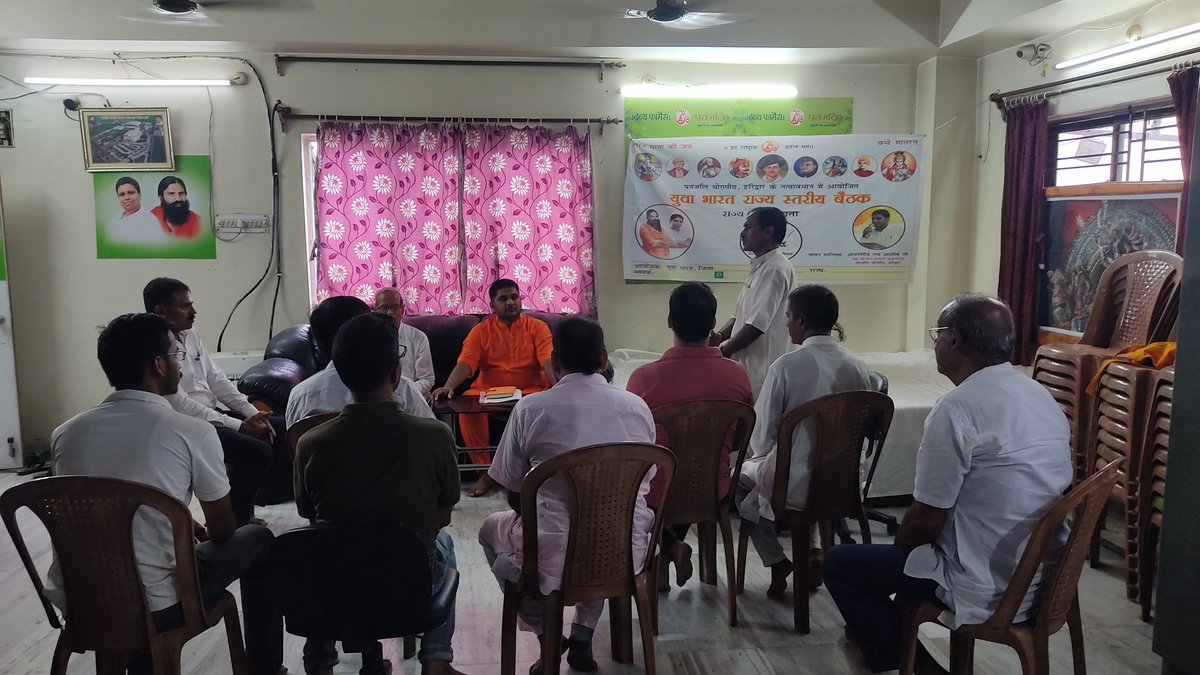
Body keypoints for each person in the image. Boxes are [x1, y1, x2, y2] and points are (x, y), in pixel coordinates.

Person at [823, 295, 1072, 674]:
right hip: (1043, 576)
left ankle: (918, 667)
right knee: (897, 577)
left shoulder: (957, 408)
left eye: (937, 334)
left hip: (989, 583)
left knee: (842, 564)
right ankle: (883, 642)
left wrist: (904, 555)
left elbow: (925, 517)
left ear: (954, 339)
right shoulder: (1037, 393)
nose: (935, 343)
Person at [48, 313, 283, 675]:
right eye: (177, 355)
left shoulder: (65, 434)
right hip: (161, 603)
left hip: (83, 599)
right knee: (260, 540)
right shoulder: (192, 432)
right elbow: (221, 531)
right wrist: (189, 525)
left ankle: (136, 660)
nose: (180, 363)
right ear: (158, 365)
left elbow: (105, 500)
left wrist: (180, 520)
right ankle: (266, 668)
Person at [478, 317, 656, 675]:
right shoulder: (636, 406)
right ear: (604, 360)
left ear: (554, 363)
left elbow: (513, 491)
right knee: (598, 531)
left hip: (553, 551)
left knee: (489, 531)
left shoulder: (530, 409)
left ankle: (548, 637)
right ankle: (582, 636)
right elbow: (645, 482)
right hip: (624, 548)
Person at [295, 313, 465, 675]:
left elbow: (308, 511)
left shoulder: (310, 444)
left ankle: (319, 658)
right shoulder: (435, 436)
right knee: (445, 545)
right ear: (396, 373)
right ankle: (435, 659)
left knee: (318, 549)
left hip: (338, 575)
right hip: (409, 575)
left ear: (341, 373)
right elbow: (443, 514)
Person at [736, 285, 870, 598]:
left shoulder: (786, 366)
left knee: (741, 484)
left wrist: (764, 459)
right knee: (800, 476)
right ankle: (812, 551)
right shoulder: (857, 365)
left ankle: (776, 560)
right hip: (843, 482)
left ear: (802, 320)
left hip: (794, 484)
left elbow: (764, 435)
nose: (785, 323)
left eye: (788, 316)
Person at [626, 282, 753, 592]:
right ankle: (672, 549)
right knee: (687, 474)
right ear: (712, 324)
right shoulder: (737, 375)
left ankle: (665, 549)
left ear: (670, 321)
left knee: (639, 487)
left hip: (659, 491)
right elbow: (739, 437)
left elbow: (633, 443)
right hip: (715, 487)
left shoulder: (643, 378)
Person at [145, 277, 280, 527]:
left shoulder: (190, 332)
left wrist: (251, 413)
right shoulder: (155, 347)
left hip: (210, 412)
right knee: (255, 451)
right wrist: (240, 426)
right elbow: (178, 404)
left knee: (277, 427)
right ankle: (237, 524)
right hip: (185, 422)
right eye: (185, 306)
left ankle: (250, 506)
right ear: (161, 312)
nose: (193, 311)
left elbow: (215, 378)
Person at [432, 279, 555, 497]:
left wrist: (559, 384)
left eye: (514, 297)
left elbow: (547, 360)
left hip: (530, 390)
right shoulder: (481, 331)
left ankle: (533, 472)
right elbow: (466, 363)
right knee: (468, 410)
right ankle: (486, 472)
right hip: (489, 392)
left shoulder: (538, 327)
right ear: (492, 305)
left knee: (542, 404)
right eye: (503, 299)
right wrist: (448, 386)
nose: (510, 303)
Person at [285, 295, 435, 428]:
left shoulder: (299, 396)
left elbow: (297, 452)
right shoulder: (402, 389)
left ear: (318, 344)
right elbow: (435, 441)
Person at [711, 207, 796, 398]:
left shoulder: (774, 269)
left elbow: (756, 325)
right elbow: (739, 315)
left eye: (748, 227)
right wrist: (719, 336)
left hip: (763, 369)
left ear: (768, 231)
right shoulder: (761, 266)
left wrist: (724, 349)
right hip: (748, 366)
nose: (742, 233)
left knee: (758, 423)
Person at [374, 287, 435, 397]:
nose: (389, 313)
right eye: (384, 308)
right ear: (375, 310)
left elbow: (427, 380)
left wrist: (400, 395)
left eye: (394, 307)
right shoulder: (367, 338)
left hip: (411, 399)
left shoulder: (418, 337)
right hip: (378, 400)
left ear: (402, 310)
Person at [108, 176, 166, 245]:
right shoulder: (115, 219)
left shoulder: (149, 220)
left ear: (139, 195)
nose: (127, 197)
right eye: (122, 194)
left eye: (131, 193)